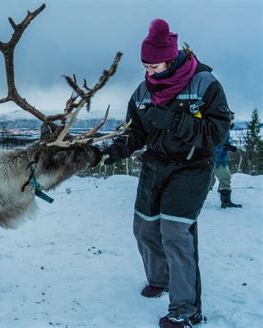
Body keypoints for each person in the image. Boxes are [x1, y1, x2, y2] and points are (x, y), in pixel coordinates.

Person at [101, 19, 231, 328]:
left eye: (155, 66)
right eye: (145, 66)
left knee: (175, 233)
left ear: (171, 59)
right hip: (154, 165)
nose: (149, 72)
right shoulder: (143, 91)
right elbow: (133, 134)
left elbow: (218, 131)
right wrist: (110, 152)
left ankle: (186, 309)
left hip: (192, 166)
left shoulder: (204, 84)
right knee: (144, 228)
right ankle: (159, 279)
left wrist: (173, 121)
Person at [213, 123, 242, 208]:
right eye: (230, 116)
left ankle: (225, 200)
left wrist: (229, 147)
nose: (232, 118)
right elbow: (214, 144)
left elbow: (224, 143)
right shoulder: (219, 127)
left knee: (226, 178)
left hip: (221, 159)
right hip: (216, 160)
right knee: (225, 179)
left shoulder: (225, 128)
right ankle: (226, 202)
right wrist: (226, 147)